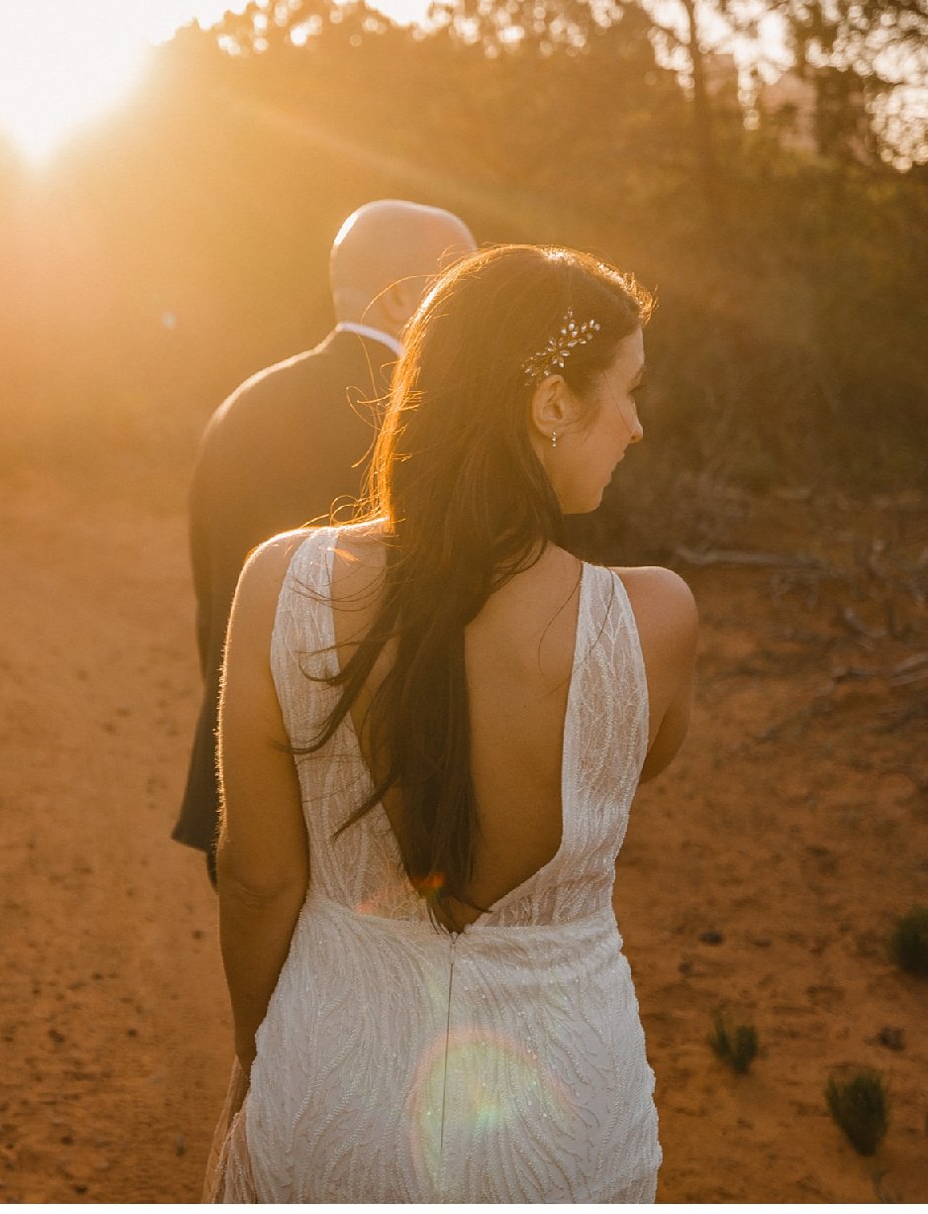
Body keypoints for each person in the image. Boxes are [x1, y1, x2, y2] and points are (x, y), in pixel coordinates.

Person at [205, 243, 698, 1201]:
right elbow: (626, 769)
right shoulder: (655, 620)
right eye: (629, 391)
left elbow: (258, 880)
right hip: (562, 1121)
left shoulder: (282, 584)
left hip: (335, 1085)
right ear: (551, 402)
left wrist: (259, 1060)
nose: (637, 426)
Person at [175, 200, 477, 882]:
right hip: (378, 807)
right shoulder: (426, 424)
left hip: (243, 783)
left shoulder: (240, 408)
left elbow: (213, 609)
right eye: (462, 288)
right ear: (402, 300)